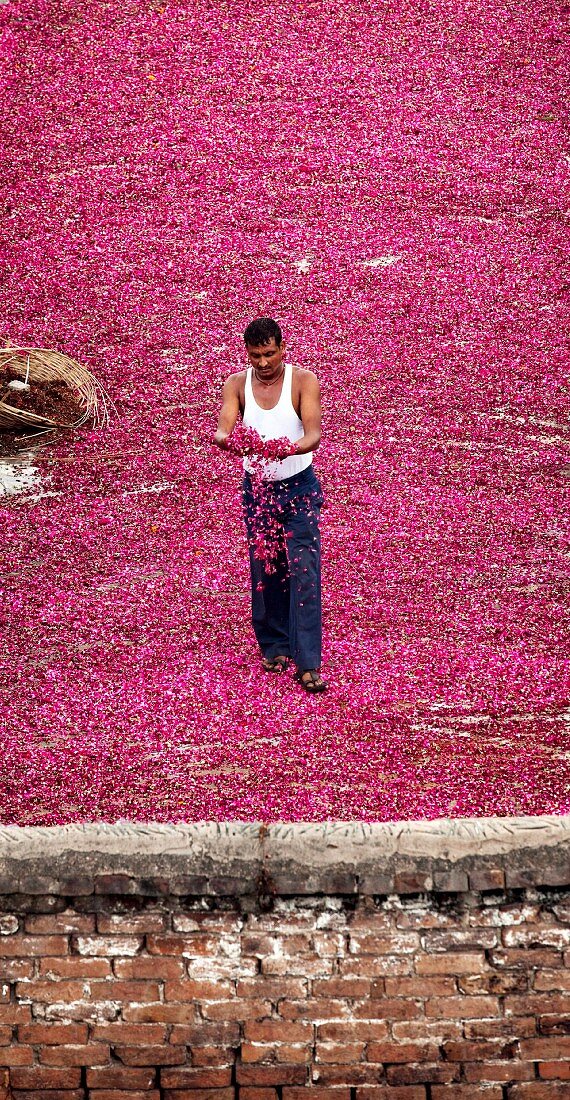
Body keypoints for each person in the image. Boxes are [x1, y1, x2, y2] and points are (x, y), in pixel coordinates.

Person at [213, 317, 327, 693]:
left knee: (304, 570)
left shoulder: (303, 381)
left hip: (299, 488)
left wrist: (283, 450)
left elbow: (313, 434)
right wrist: (231, 441)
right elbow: (223, 429)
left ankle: (308, 662)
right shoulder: (236, 385)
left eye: (269, 354)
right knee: (266, 570)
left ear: (282, 347)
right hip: (258, 490)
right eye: (255, 355)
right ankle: (275, 645)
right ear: (246, 352)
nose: (263, 363)